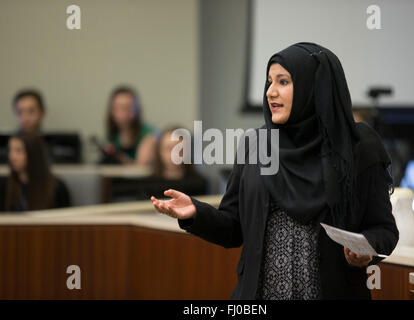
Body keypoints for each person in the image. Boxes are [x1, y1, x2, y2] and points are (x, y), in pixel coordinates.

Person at [150, 43, 399, 300]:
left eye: (283, 82)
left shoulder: (357, 147)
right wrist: (195, 212)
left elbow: (384, 230)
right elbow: (233, 228)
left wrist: (367, 250)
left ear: (313, 87)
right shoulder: (255, 145)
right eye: (269, 82)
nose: (270, 92)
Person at [0, 132, 71, 212]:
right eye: (10, 150)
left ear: (33, 153)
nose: (12, 157)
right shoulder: (4, 186)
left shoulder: (56, 188)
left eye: (18, 151)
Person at [105, 86, 157, 165]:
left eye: (127, 108)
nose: (122, 114)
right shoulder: (112, 136)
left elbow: (139, 170)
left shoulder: (149, 135)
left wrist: (119, 157)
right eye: (117, 108)